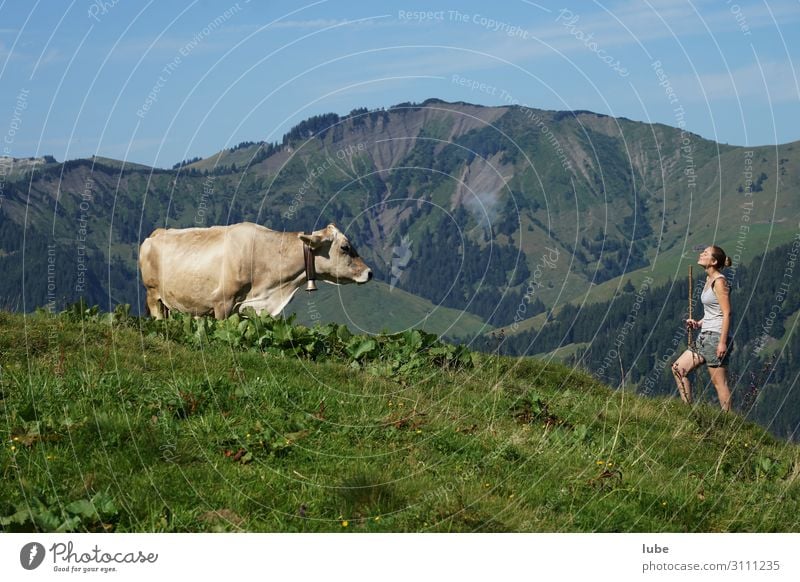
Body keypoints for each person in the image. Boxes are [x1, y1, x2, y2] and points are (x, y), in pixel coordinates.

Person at [671, 246, 733, 411]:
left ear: (713, 261)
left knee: (720, 384)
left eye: (705, 253)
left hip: (716, 337)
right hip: (705, 336)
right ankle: (688, 412)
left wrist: (722, 343)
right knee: (678, 369)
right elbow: (715, 313)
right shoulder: (708, 280)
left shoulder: (720, 282)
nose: (701, 254)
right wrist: (698, 323)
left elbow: (727, 313)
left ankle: (730, 424)